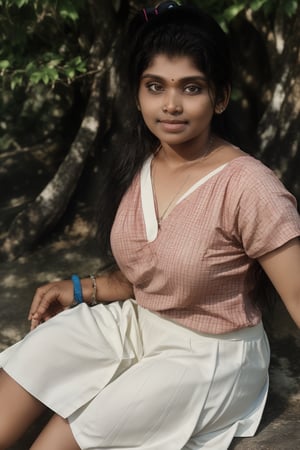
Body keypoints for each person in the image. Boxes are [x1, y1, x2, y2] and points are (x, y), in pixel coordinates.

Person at [0, 1, 300, 449]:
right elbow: (161, 273)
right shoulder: (139, 162)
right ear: (138, 93)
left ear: (220, 97)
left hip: (211, 354)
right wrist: (84, 288)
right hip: (143, 322)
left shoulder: (249, 186)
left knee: (62, 437)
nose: (171, 105)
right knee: (37, 355)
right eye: (155, 86)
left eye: (191, 88)